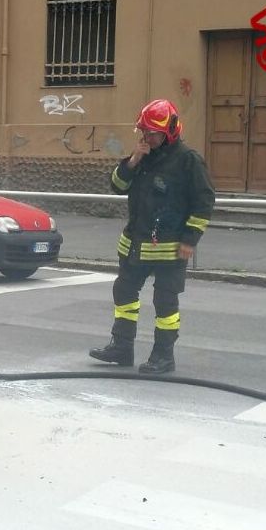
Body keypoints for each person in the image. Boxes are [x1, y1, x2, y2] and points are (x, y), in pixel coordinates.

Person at [90, 99, 215, 375]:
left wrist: (190, 239)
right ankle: (121, 348)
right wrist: (133, 161)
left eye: (152, 133)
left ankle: (163, 356)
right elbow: (117, 185)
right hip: (136, 244)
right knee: (123, 292)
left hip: (169, 249)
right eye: (143, 132)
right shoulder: (142, 157)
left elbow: (204, 202)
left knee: (165, 303)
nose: (147, 137)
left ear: (169, 131)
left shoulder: (188, 160)